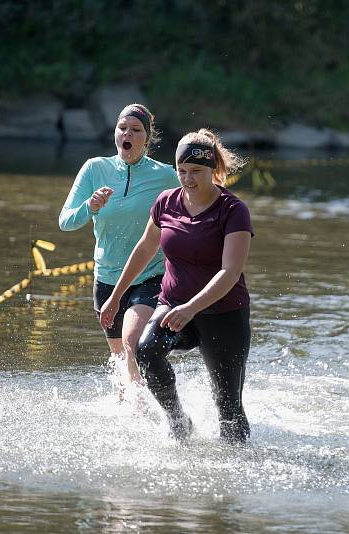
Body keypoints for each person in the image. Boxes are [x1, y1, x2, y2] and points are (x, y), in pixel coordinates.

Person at [99, 128, 253, 444]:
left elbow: (230, 271)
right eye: (181, 171)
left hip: (223, 313)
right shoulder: (166, 202)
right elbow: (144, 249)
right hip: (173, 304)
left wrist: (191, 308)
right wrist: (116, 297)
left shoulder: (233, 210)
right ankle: (178, 421)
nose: (188, 178)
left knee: (229, 408)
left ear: (213, 169)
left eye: (196, 171)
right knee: (146, 351)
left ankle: (236, 477)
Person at [59, 104, 179, 384]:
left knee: (132, 342)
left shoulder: (165, 176)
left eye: (136, 130)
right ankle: (132, 403)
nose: (128, 133)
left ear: (147, 139)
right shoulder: (94, 168)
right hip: (107, 277)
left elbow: (194, 202)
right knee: (122, 358)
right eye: (123, 128)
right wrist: (90, 206)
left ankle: (156, 405)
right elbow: (65, 221)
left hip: (149, 275)